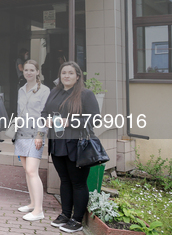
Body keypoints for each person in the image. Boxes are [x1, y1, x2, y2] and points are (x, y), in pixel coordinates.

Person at [39, 61, 100, 233]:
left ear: (78, 76)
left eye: (70, 73)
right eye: (63, 73)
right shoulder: (54, 92)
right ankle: (65, 214)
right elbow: (44, 112)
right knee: (64, 181)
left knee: (78, 183)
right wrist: (46, 120)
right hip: (57, 143)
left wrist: (69, 122)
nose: (66, 76)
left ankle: (77, 219)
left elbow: (95, 120)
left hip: (76, 144)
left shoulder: (86, 94)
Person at [13, 60, 50, 221]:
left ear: (37, 72)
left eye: (31, 70)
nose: (28, 72)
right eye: (26, 70)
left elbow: (46, 115)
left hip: (35, 135)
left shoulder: (44, 90)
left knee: (32, 171)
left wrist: (40, 135)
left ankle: (39, 210)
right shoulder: (21, 90)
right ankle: (32, 203)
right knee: (27, 172)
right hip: (21, 134)